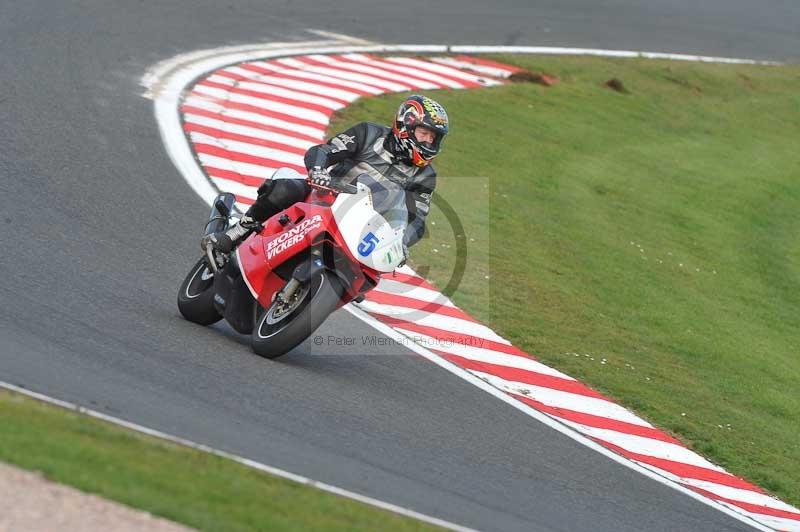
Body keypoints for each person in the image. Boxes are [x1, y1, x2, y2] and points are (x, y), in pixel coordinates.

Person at [201, 94, 449, 259]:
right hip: (325, 197)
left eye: (433, 137)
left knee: (373, 270)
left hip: (362, 227)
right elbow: (324, 151)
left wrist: (402, 242)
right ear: (406, 125)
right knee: (285, 189)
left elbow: (416, 219)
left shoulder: (425, 176)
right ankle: (237, 231)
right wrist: (318, 170)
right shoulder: (369, 134)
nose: (428, 141)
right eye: (424, 133)